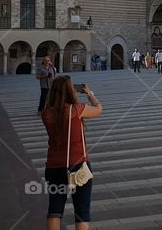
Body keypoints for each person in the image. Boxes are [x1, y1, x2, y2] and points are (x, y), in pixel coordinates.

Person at [41, 76, 102, 229]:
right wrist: (89, 94)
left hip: (54, 166)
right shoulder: (77, 109)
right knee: (81, 211)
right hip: (78, 165)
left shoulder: (46, 113)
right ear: (70, 90)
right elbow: (98, 109)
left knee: (54, 209)